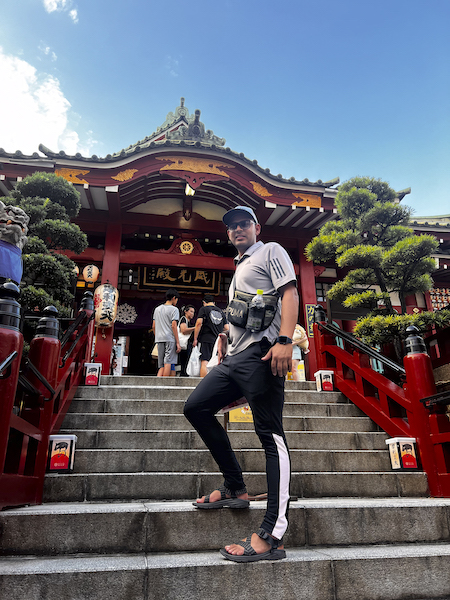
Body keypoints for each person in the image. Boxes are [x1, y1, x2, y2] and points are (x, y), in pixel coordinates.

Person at [184, 205, 298, 563]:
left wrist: (284, 341)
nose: (237, 229)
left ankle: (272, 534)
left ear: (256, 227)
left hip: (262, 356)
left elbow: (290, 294)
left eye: (243, 223)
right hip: (234, 359)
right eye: (231, 226)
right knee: (196, 408)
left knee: (271, 435)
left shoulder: (270, 250)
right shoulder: (239, 267)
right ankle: (235, 486)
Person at [193, 294, 229, 377]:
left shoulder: (204, 309)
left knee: (205, 361)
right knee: (215, 362)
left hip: (206, 339)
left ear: (204, 302)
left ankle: (202, 383)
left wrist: (195, 338)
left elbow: (198, 323)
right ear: (214, 302)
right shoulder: (220, 311)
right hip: (218, 341)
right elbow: (227, 328)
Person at [152, 288, 181, 377]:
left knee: (161, 365)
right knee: (168, 362)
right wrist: (178, 342)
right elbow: (173, 325)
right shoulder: (174, 310)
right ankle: (165, 384)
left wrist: (157, 337)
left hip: (159, 339)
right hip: (170, 338)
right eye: (177, 299)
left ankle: (158, 383)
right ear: (174, 298)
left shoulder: (157, 309)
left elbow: (153, 326)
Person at [179, 305, 196, 377]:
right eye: (191, 311)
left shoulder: (189, 321)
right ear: (185, 311)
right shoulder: (183, 319)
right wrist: (195, 328)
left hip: (187, 344)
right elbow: (183, 330)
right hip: (184, 345)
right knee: (184, 362)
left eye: (193, 312)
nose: (192, 314)